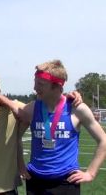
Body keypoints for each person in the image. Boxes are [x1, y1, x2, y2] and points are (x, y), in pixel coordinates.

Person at [17, 60, 106, 194]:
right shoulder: (32, 108)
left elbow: (103, 140)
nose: (35, 88)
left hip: (67, 182)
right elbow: (15, 138)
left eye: (40, 84)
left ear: (57, 86)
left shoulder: (77, 109)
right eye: (35, 82)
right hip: (35, 181)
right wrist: (21, 166)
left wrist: (91, 173)